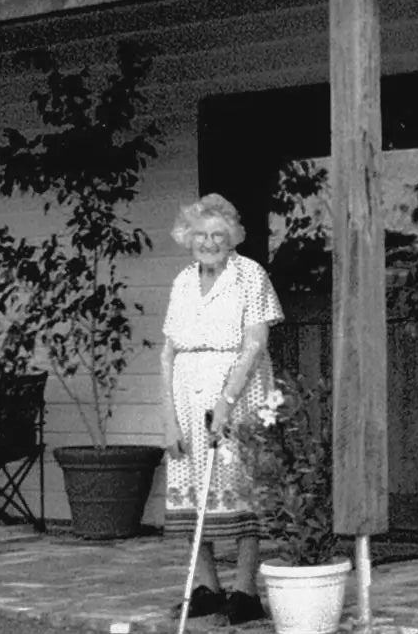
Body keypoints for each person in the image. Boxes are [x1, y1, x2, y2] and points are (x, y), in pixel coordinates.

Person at [161, 193, 283, 626]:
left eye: (218, 235)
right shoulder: (181, 281)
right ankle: (207, 588)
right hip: (187, 393)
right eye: (200, 235)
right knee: (193, 487)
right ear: (187, 239)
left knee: (241, 487)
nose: (209, 242)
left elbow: (255, 343)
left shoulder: (249, 274)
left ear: (232, 238)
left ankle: (246, 592)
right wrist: (169, 418)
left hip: (240, 391)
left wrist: (226, 402)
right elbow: (168, 352)